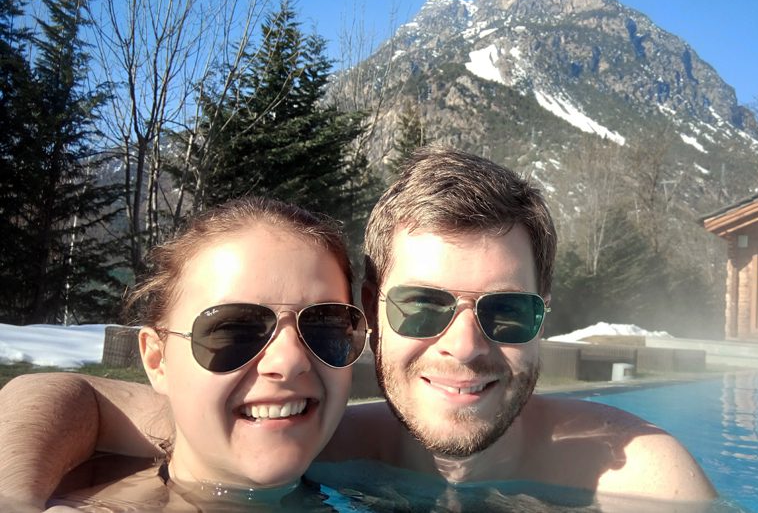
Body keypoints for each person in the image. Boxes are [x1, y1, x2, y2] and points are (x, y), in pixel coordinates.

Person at [0, 148, 716, 510]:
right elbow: (58, 391)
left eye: (506, 312)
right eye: (423, 306)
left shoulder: (640, 478)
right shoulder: (307, 431)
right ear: (374, 312)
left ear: (541, 317)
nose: (465, 346)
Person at [2, 197, 369, 510]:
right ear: (157, 361)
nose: (290, 360)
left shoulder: (371, 460)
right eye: (234, 329)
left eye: (325, 326)